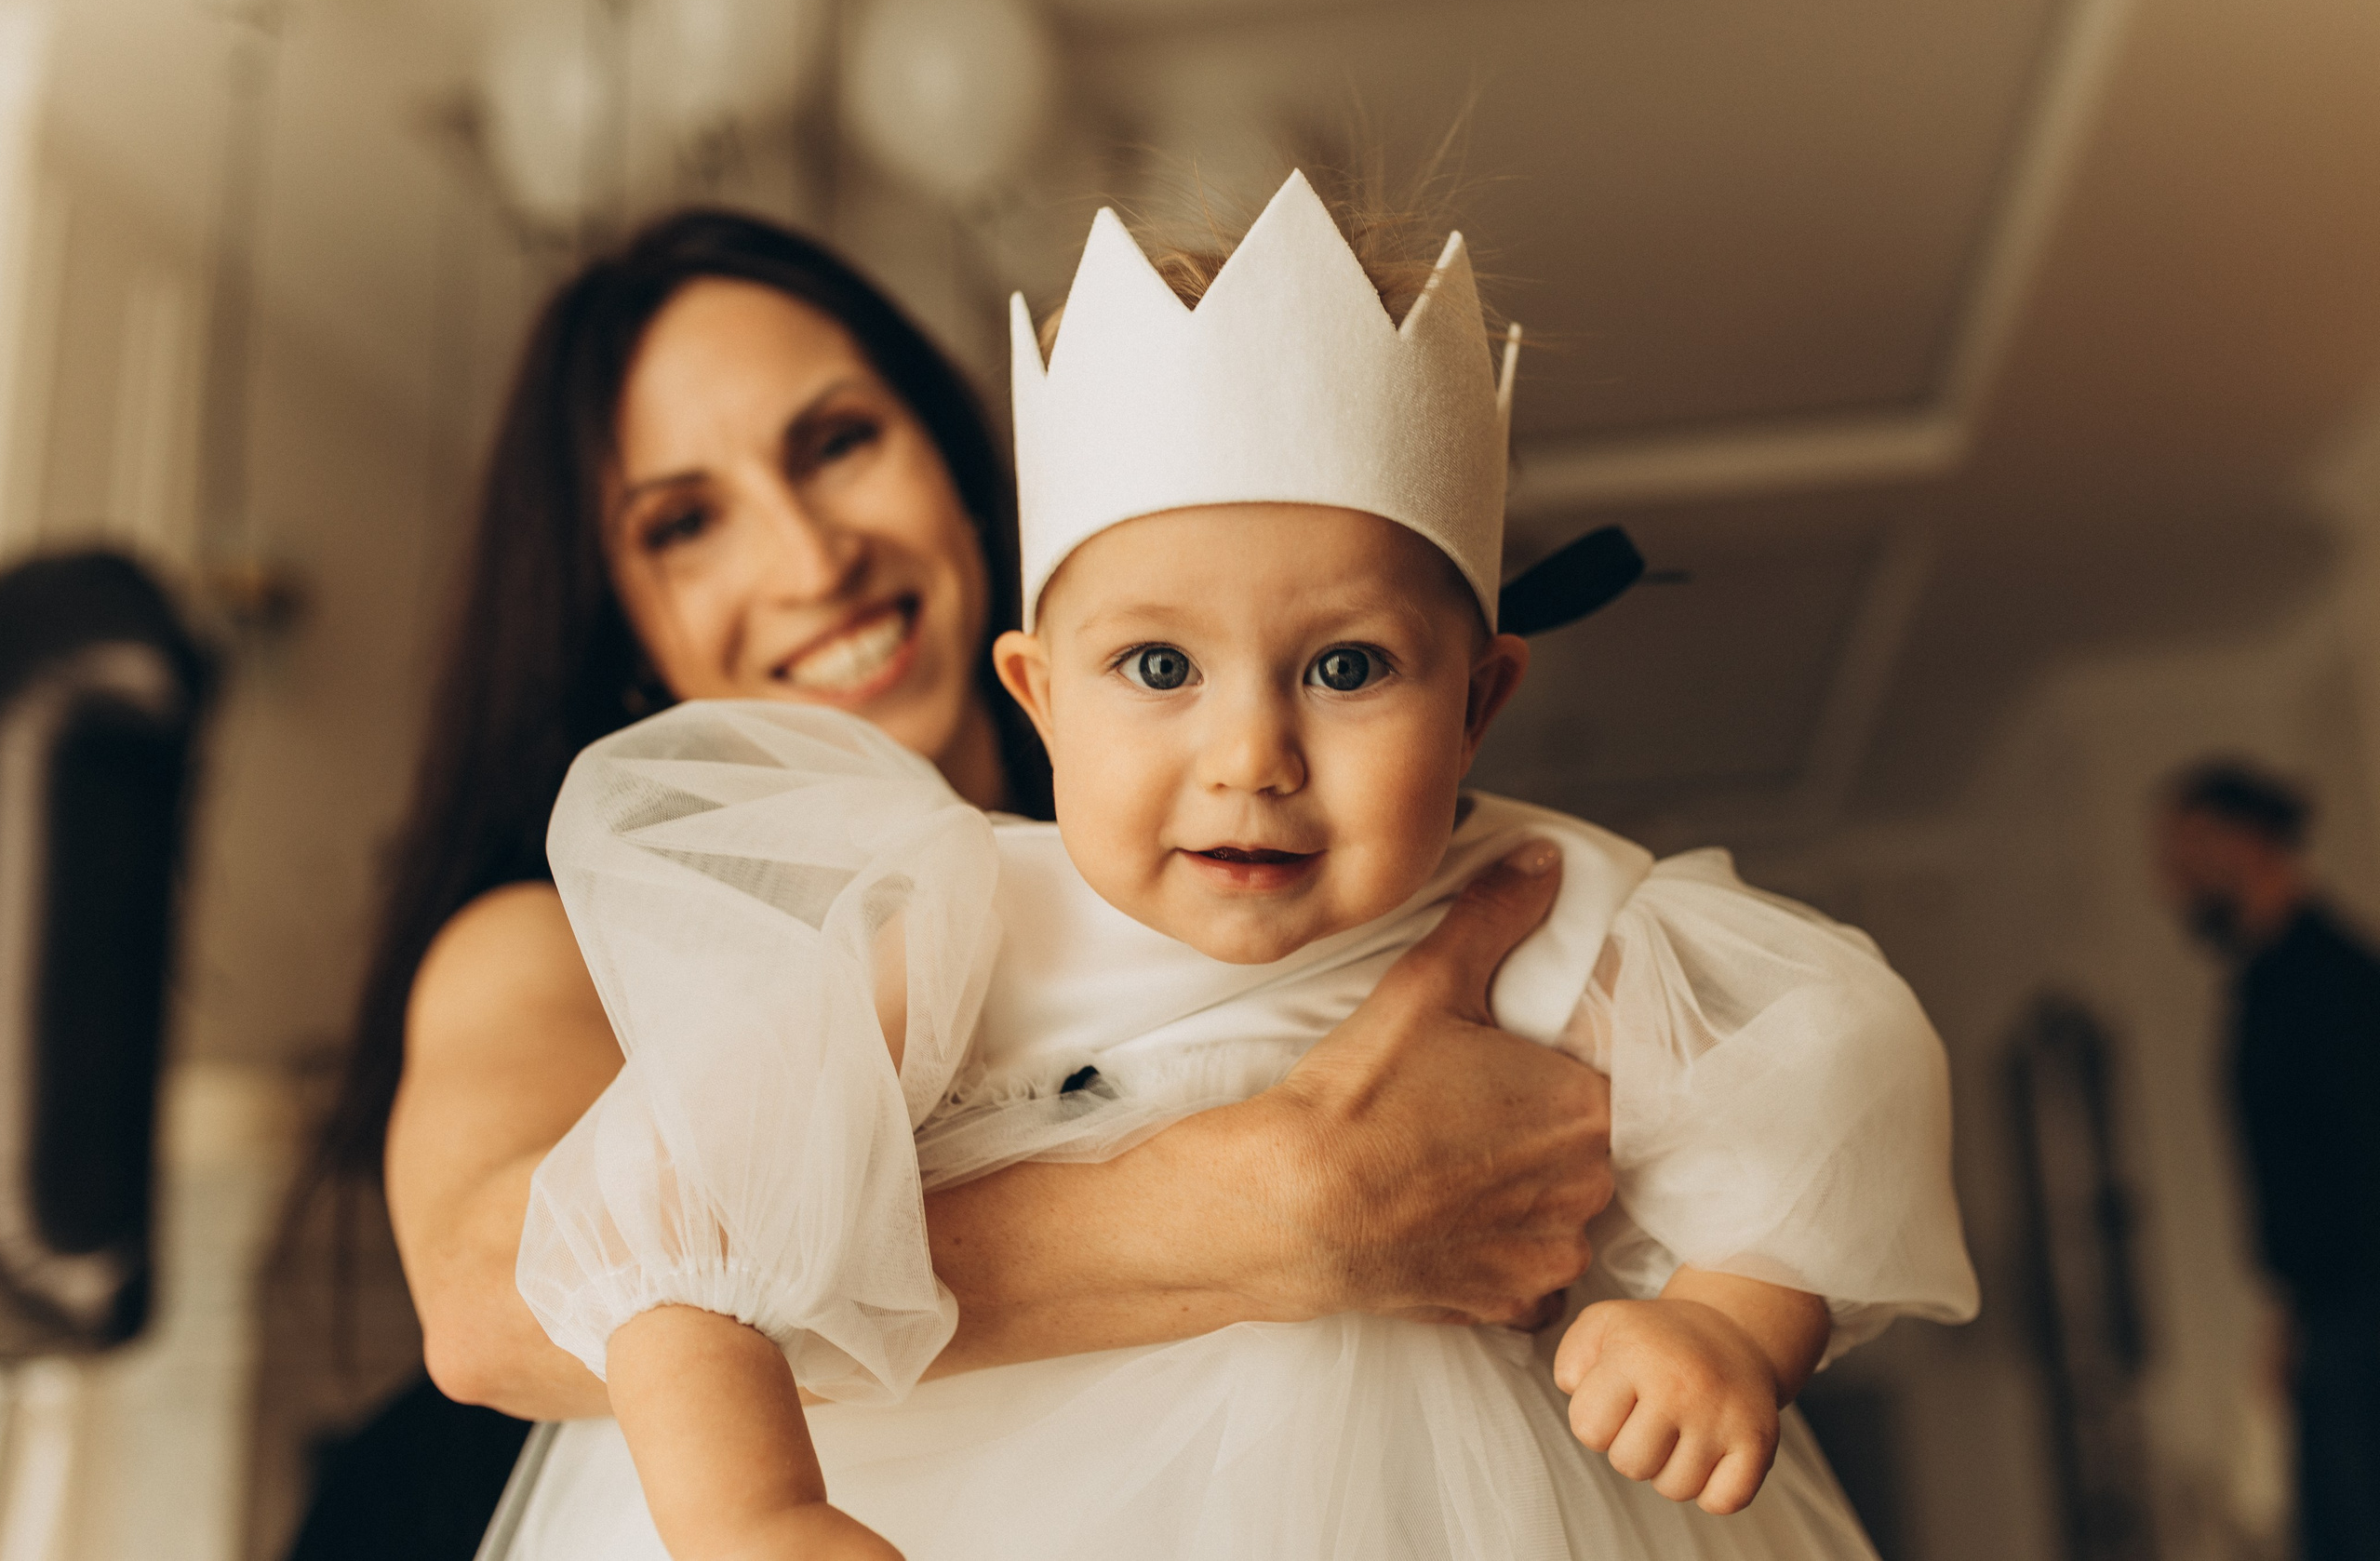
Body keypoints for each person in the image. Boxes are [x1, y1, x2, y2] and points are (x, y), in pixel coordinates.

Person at [502, 172, 1978, 1560]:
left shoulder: (1532, 902)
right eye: (1158, 663)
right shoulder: (960, 919)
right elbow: (672, 1210)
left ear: (1478, 703)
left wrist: (1729, 1323)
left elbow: (1814, 1070)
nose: (1251, 752)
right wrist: (753, 1511)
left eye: (1346, 665)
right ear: (1041, 696)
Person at [288, 207, 1624, 1559]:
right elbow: (497, 1300)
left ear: (956, 467)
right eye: (687, 522)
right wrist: (1289, 1206)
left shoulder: (1274, 851)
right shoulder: (545, 939)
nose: (814, 561)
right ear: (618, 620)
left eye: (839, 443)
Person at [2156, 759, 2380, 1561]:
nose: (2172, 881)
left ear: (2243, 840)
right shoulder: (2268, 985)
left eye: (2184, 852)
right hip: (2329, 1308)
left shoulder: (2332, 979)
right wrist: (2290, 1314)